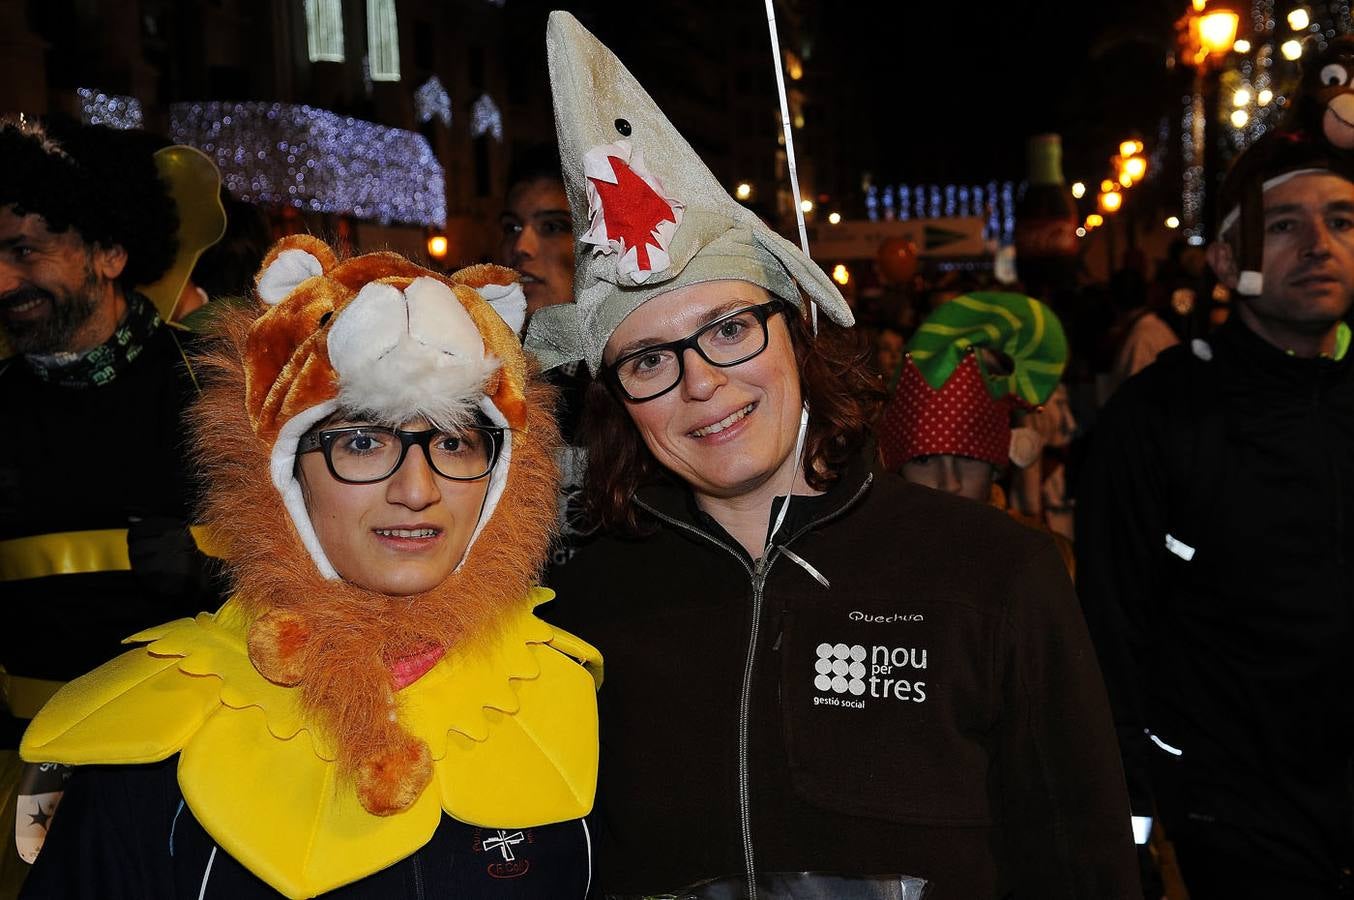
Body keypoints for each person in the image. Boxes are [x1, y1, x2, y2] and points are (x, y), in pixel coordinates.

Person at [528, 12, 1138, 899]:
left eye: (730, 330)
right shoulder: (576, 612)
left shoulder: (996, 574)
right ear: (617, 400)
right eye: (650, 359)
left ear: (797, 332)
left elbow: (1083, 866)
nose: (701, 384)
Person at [18, 236, 600, 897]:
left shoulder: (563, 695)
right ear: (282, 473)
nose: (416, 489)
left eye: (454, 441)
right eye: (360, 441)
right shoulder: (148, 748)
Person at [1076, 65, 1354, 897]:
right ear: (1228, 259)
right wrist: (1128, 827)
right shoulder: (1157, 418)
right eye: (1283, 227)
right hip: (1236, 824)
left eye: (1344, 220)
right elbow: (1110, 634)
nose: (1320, 246)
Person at [0, 118, 225, 890]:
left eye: (25, 251)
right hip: (27, 777)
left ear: (111, 252)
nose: (2, 280)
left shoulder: (214, 390)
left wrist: (216, 567)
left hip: (191, 771)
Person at [498, 143, 594, 566]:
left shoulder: (644, 370)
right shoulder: (479, 369)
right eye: (511, 226)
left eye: (553, 226)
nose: (523, 246)